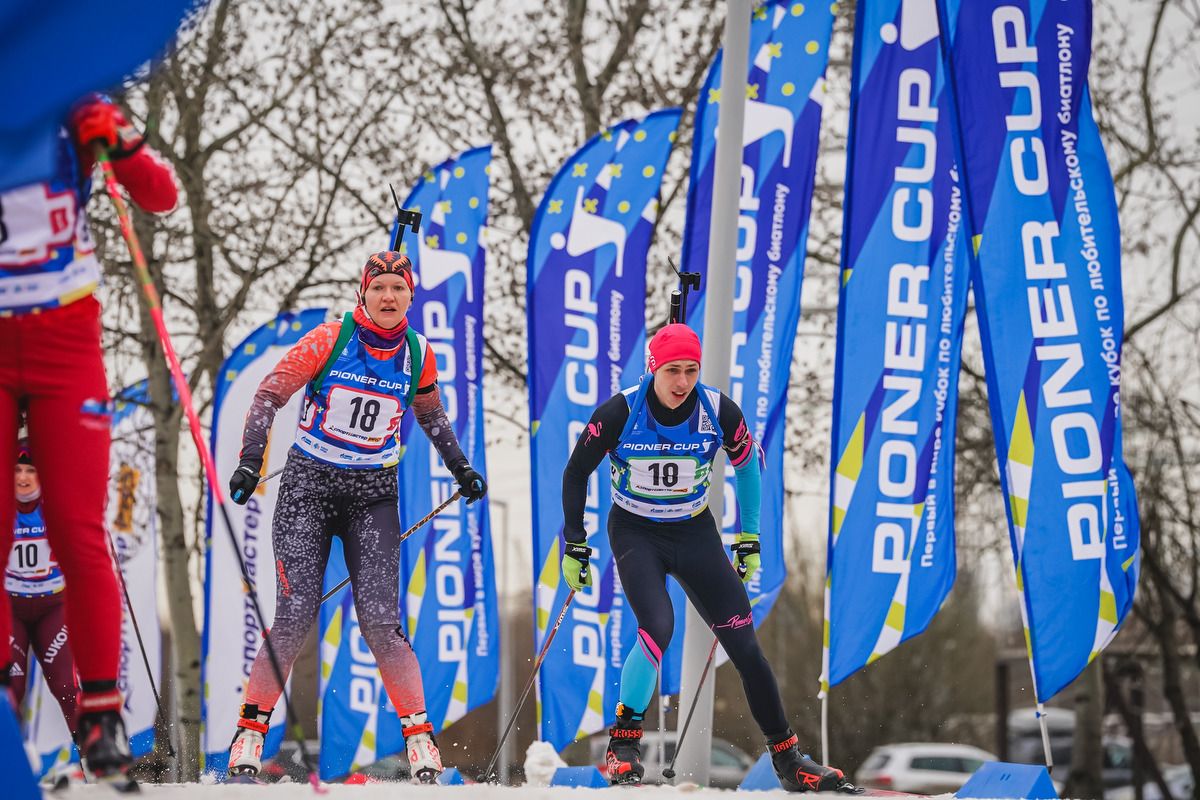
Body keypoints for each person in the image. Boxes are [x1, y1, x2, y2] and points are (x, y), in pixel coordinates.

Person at [560, 323, 860, 792]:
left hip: (694, 532)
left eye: (691, 370)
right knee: (657, 626)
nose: (683, 382)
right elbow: (576, 471)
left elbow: (748, 466)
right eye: (672, 371)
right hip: (636, 531)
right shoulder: (620, 411)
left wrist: (749, 537)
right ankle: (623, 745)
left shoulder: (718, 410)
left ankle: (788, 759)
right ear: (653, 369)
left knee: (745, 645)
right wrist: (575, 543)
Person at [225, 250, 487, 782]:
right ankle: (250, 732)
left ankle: (420, 741)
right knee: (295, 615)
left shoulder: (418, 353)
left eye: (398, 288)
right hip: (309, 489)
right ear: (362, 293)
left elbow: (431, 413)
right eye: (379, 287)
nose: (388, 297)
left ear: (410, 296)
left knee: (381, 623)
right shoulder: (330, 339)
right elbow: (269, 394)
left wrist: (461, 467)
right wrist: (251, 461)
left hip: (372, 496)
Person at [0, 95, 177, 781]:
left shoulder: (70, 100)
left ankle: (102, 713)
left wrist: (118, 142)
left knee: (78, 526)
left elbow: (159, 196)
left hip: (64, 342)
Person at [7, 439, 80, 736]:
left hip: (53, 606)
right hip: (10, 608)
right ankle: (8, 758)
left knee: (67, 688)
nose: (23, 478)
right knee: (10, 690)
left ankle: (94, 756)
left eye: (31, 470)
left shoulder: (57, 502)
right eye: (17, 470)